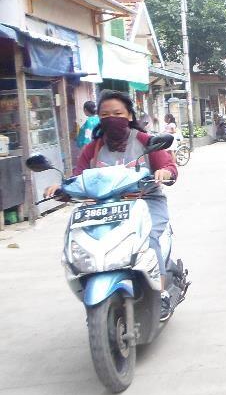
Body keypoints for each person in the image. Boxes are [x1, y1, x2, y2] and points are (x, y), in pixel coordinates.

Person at [47, 91, 180, 301]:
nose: (111, 118)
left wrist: (165, 172)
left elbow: (168, 166)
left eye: (117, 113)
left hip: (145, 202)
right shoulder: (92, 149)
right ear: (99, 118)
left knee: (148, 237)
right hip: (104, 206)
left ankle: (161, 293)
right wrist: (62, 189)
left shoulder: (145, 141)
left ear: (129, 116)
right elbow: (78, 178)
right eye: (105, 114)